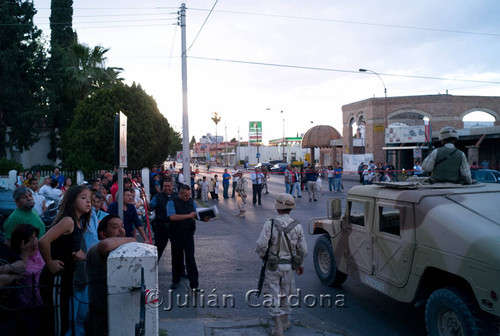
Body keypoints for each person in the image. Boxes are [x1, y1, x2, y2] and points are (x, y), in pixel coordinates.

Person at [39, 185, 91, 336]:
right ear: (72, 200)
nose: (88, 202)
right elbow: (43, 241)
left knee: (64, 321)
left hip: (68, 278)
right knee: (57, 324)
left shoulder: (79, 222)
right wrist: (50, 262)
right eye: (83, 198)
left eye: (90, 199)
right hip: (56, 278)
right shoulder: (68, 220)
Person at [255, 193, 308, 336]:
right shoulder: (297, 226)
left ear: (277, 207)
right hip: (289, 266)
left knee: (273, 294)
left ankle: (278, 327)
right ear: (291, 208)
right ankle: (285, 322)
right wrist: (300, 263)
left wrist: (263, 256)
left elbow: (261, 245)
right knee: (287, 293)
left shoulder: (270, 223)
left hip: (273, 266)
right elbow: (303, 250)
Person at [85, 215, 136, 336]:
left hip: (119, 312)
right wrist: (132, 240)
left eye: (122, 226)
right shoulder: (95, 249)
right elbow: (106, 245)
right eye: (115, 227)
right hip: (100, 315)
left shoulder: (120, 251)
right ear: (103, 234)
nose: (121, 230)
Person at [167, 185, 210, 291]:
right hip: (176, 233)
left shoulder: (191, 201)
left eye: (189, 195)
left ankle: (194, 284)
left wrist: (203, 218)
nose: (187, 197)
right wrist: (189, 216)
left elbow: (195, 214)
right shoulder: (172, 202)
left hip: (188, 233)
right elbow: (172, 217)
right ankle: (175, 280)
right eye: (185, 195)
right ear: (180, 193)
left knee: (190, 258)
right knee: (176, 257)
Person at [149, 179, 176, 260]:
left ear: (172, 186)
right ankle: (153, 268)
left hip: (174, 226)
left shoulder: (177, 196)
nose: (167, 188)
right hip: (161, 226)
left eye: (169, 186)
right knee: (158, 249)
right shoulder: (158, 196)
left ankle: (178, 271)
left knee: (177, 249)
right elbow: (150, 207)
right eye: (165, 186)